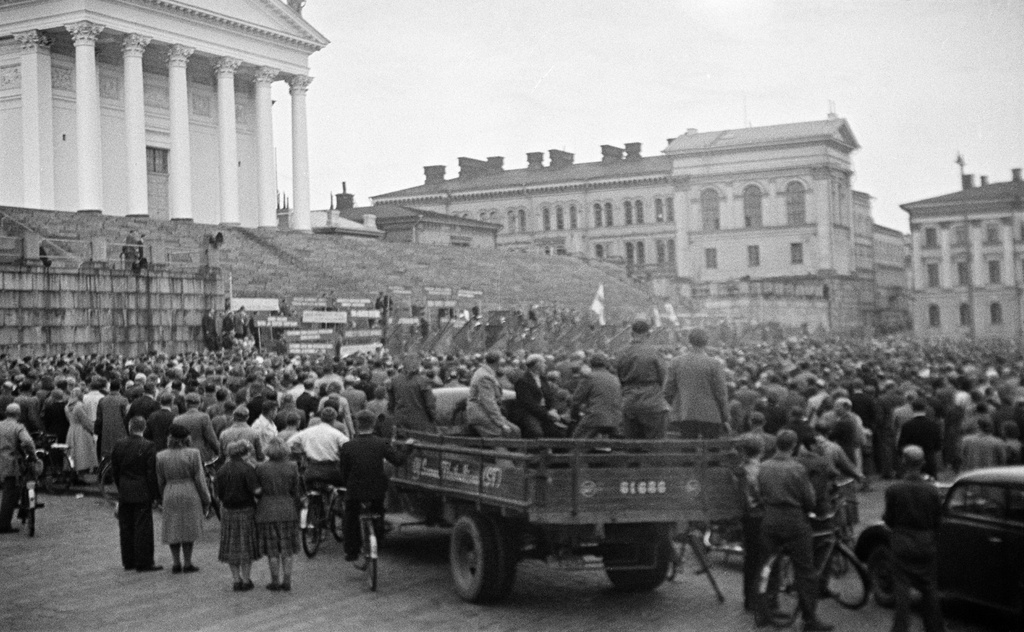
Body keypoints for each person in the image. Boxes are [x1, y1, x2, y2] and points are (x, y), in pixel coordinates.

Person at [755, 429, 832, 631]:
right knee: (805, 571)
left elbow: (758, 491)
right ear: (794, 446)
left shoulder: (763, 466)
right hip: (794, 522)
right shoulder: (797, 468)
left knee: (766, 566)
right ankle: (809, 619)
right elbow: (810, 499)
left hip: (770, 519)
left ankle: (764, 611)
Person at [883, 445, 945, 632]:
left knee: (902, 591)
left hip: (902, 541)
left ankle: (900, 628)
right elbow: (937, 520)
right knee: (929, 589)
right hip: (925, 542)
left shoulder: (894, 489)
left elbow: (889, 519)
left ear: (903, 462)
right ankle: (935, 628)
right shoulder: (932, 491)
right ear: (923, 464)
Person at [339, 411, 413, 562]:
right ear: (373, 424)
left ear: (357, 424)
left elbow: (344, 472)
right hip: (376, 488)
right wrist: (408, 448)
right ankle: (378, 540)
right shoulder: (382, 443)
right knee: (378, 511)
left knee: (351, 516)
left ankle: (351, 551)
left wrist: (347, 485)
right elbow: (398, 460)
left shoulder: (347, 446)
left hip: (355, 489)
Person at [156, 424, 211, 574]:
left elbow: (160, 480)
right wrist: (206, 498)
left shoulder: (161, 456)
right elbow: (200, 478)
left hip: (170, 490)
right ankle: (187, 562)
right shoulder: (193, 453)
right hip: (189, 490)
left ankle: (175, 562)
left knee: (172, 528)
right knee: (188, 527)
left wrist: (162, 496)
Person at [110, 416, 161, 571]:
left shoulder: (119, 444)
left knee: (126, 527)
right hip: (142, 490)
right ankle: (144, 561)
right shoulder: (148, 446)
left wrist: (120, 487)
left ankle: (128, 560)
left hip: (125, 489)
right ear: (143, 428)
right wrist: (155, 495)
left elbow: (115, 469)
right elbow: (151, 473)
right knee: (143, 527)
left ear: (129, 427)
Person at [663, 328, 730, 439]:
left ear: (689, 341)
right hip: (711, 414)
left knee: (688, 450)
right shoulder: (714, 364)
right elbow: (721, 393)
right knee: (711, 450)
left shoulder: (676, 362)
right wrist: (725, 415)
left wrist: (675, 406)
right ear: (706, 342)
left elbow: (667, 391)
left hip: (685, 413)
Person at [255, 438, 301, 591]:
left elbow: (257, 490)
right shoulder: (292, 466)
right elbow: (296, 490)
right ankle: (287, 580)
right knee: (287, 549)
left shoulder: (261, 468)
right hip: (287, 509)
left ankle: (274, 580)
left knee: (272, 550)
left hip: (266, 510)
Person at [215, 440, 260, 592]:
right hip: (246, 509)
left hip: (228, 511)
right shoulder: (247, 469)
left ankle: (236, 579)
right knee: (245, 545)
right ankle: (246, 579)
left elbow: (218, 493)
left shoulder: (222, 470)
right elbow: (255, 490)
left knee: (231, 546)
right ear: (244, 453)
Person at [616, 320, 670, 439]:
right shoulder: (654, 352)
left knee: (632, 446)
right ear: (648, 334)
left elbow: (617, 377)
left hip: (629, 401)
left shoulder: (621, 353)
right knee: (655, 447)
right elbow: (664, 378)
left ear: (631, 333)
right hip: (653, 402)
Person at [736, 436, 764, 612]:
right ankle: (760, 598)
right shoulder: (759, 469)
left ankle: (749, 599)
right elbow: (759, 494)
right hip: (759, 515)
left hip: (746, 516)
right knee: (762, 558)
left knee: (750, 559)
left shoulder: (740, 468)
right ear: (760, 450)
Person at [285, 411, 349, 487]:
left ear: (321, 418)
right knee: (342, 488)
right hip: (332, 470)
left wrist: (301, 451)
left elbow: (289, 443)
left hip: (312, 469)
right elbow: (348, 446)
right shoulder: (337, 434)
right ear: (334, 419)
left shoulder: (307, 432)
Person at [466, 352, 520, 438]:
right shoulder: (485, 376)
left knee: (515, 431)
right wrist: (501, 423)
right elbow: (488, 402)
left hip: (485, 412)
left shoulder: (485, 372)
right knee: (501, 436)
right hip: (481, 414)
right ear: (497, 362)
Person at [569, 352, 623, 439]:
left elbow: (576, 400)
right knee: (618, 446)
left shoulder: (589, 378)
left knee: (577, 442)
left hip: (595, 417)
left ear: (590, 363)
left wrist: (573, 416)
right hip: (616, 418)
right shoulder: (614, 378)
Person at [0, 404, 36, 534]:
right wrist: (32, 455)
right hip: (10, 463)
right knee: (10, 494)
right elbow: (27, 441)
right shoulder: (18, 427)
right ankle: (4, 524)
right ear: (18, 414)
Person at [512, 354, 563, 438]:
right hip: (528, 413)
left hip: (544, 411)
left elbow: (550, 396)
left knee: (557, 433)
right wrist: (547, 413)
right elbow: (528, 403)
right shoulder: (523, 381)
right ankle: (534, 450)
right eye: (543, 363)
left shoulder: (543, 379)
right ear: (537, 365)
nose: (545, 366)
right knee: (536, 433)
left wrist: (553, 409)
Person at [387, 355, 437, 432]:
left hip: (400, 422)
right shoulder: (422, 381)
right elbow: (430, 404)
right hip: (420, 422)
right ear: (417, 366)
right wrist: (433, 418)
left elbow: (391, 404)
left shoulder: (394, 380)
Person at [896, 400, 942, 478]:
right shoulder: (934, 425)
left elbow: (901, 445)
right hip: (929, 459)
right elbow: (938, 445)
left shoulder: (907, 426)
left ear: (912, 409)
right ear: (924, 409)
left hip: (912, 461)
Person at [172, 392, 220, 464]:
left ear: (186, 404)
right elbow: (211, 438)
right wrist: (218, 451)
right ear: (199, 404)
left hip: (182, 455)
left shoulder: (177, 419)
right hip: (200, 454)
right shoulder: (204, 417)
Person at [65, 387, 99, 480]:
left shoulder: (67, 407)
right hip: (81, 431)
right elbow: (85, 421)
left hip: (71, 429)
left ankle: (73, 475)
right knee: (82, 453)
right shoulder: (79, 406)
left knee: (73, 453)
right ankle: (81, 476)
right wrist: (93, 430)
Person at [95, 378, 129, 461]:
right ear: (120, 387)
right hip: (120, 431)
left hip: (106, 431)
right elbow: (126, 417)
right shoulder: (123, 400)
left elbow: (99, 418)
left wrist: (97, 431)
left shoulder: (102, 400)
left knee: (107, 455)